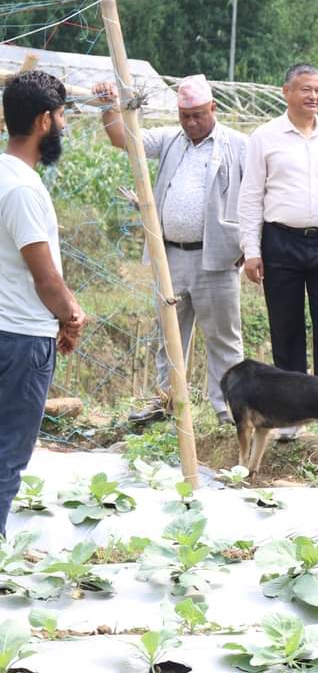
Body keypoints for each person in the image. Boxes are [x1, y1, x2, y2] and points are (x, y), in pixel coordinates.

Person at [93, 75, 246, 426]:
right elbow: (123, 138)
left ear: (213, 109)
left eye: (198, 115)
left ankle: (229, 413)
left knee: (223, 339)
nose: (191, 123)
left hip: (217, 259)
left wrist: (250, 244)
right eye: (185, 116)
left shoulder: (238, 145)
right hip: (170, 257)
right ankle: (167, 403)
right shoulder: (170, 139)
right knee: (170, 335)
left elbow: (258, 195)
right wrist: (108, 106)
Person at [238, 64, 318, 439]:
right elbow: (250, 197)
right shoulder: (265, 137)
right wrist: (251, 249)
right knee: (286, 328)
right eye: (306, 89)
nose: (314, 97)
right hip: (282, 242)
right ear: (286, 92)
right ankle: (291, 418)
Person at [0, 70, 86, 536]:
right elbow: (46, 279)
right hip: (20, 342)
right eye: (61, 116)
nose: (64, 126)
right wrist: (71, 316)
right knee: (7, 458)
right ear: (43, 122)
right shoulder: (23, 190)